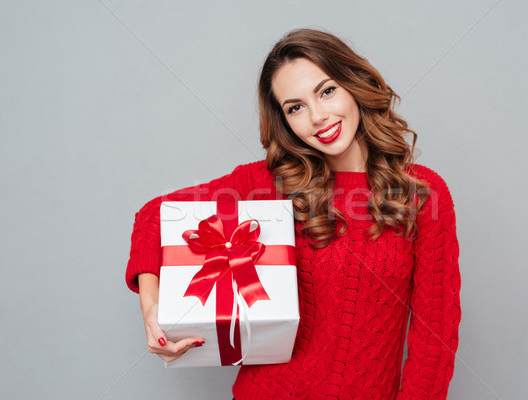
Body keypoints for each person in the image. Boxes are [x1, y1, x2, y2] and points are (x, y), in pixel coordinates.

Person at [125, 28, 462, 399]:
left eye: (327, 90)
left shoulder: (422, 194)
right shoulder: (270, 182)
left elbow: (435, 340)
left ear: (355, 83)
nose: (317, 117)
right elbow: (154, 215)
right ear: (284, 121)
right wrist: (151, 308)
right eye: (295, 107)